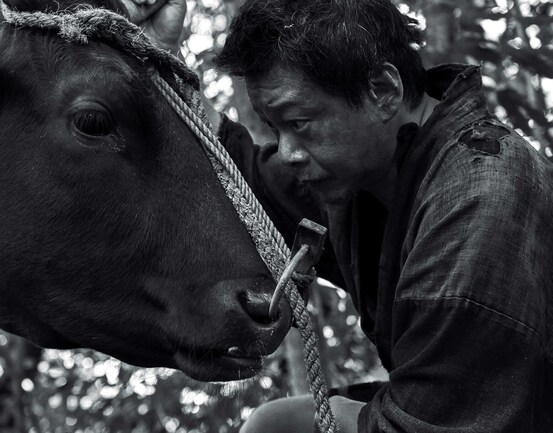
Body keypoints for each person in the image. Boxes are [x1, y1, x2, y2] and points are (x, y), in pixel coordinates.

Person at [133, 0, 553, 431]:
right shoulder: (362, 171)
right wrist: (152, 57)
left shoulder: (478, 200)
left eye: (299, 121)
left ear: (383, 91)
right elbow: (245, 176)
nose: (289, 152)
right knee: (276, 424)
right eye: (277, 128)